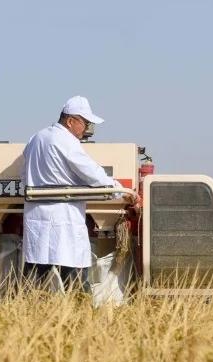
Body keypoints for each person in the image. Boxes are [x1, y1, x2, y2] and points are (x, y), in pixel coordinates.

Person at [21, 96, 134, 290]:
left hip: (36, 215)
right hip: (63, 218)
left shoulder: (36, 138)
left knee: (35, 274)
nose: (87, 128)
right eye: (85, 122)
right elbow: (91, 172)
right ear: (70, 121)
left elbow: (24, 175)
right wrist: (120, 190)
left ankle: (24, 313)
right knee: (75, 274)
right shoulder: (65, 140)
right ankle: (82, 315)